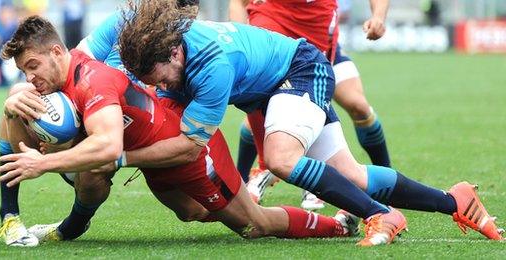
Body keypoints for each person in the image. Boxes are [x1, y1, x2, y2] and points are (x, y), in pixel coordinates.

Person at [117, 0, 504, 243]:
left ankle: (381, 215)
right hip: (272, 89)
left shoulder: (210, 65)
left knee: (281, 159)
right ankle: (455, 200)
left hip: (300, 72)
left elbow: (190, 143)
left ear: (173, 52)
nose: (162, 87)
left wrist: (119, 157)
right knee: (351, 177)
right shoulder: (174, 50)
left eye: (162, 77)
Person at [0, 15, 362, 246]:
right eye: (25, 71)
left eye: (33, 67)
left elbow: (107, 148)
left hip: (185, 152)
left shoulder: (94, 80)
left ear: (57, 53)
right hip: (150, 149)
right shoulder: (79, 60)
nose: (31, 78)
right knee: (192, 213)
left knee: (254, 225)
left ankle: (337, 227)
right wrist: (15, 94)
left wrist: (42, 165)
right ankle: (14, 219)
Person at [229, 0, 392, 210]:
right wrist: (242, 38)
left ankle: (385, 182)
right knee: (267, 102)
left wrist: (378, 16)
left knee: (357, 105)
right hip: (277, 26)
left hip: (318, 38)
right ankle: (251, 177)